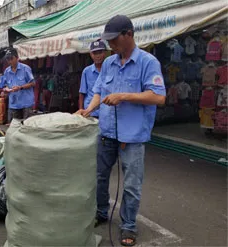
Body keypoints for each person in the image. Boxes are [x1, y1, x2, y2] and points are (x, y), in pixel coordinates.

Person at [76, 15, 166, 246]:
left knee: (132, 184)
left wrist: (124, 96)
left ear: (129, 34)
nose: (111, 45)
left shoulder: (148, 62)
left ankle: (128, 225)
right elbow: (98, 91)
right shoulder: (108, 63)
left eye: (114, 39)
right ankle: (101, 212)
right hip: (106, 131)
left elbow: (158, 97)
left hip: (132, 136)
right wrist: (88, 110)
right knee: (99, 176)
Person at [0, 48, 35, 121]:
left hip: (26, 103)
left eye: (11, 58)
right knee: (14, 126)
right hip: (14, 103)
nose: (9, 61)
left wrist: (20, 87)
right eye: (7, 59)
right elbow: (3, 85)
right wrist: (5, 90)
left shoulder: (25, 68)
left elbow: (32, 83)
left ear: (17, 58)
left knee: (27, 126)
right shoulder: (7, 71)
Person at [79, 40, 107, 118]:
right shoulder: (86, 71)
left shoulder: (110, 69)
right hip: (90, 112)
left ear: (105, 53)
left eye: (100, 52)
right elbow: (82, 93)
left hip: (106, 112)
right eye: (95, 53)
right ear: (91, 54)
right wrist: (81, 110)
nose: (98, 56)